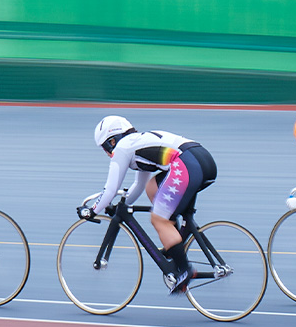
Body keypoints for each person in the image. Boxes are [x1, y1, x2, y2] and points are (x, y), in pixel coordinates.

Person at [92, 115, 218, 294]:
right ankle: (173, 243)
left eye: (105, 147)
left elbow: (110, 189)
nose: (107, 153)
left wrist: (92, 210)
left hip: (187, 165)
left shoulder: (123, 147)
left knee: (159, 220)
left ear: (112, 140)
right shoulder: (137, 142)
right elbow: (140, 186)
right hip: (202, 159)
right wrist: (123, 205)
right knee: (153, 187)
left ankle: (184, 270)